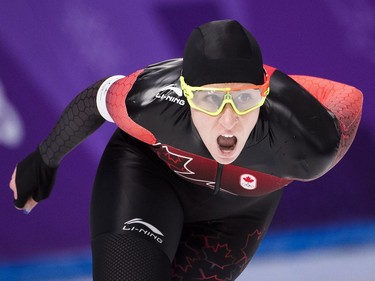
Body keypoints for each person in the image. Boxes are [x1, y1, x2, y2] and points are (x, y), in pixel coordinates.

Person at [9, 19, 363, 280]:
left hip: (236, 216)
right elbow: (96, 100)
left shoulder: (309, 141)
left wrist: (288, 90)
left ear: (264, 95)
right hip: (148, 178)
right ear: (186, 96)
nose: (228, 121)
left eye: (244, 100)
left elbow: (349, 98)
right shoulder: (151, 101)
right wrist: (44, 159)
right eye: (209, 100)